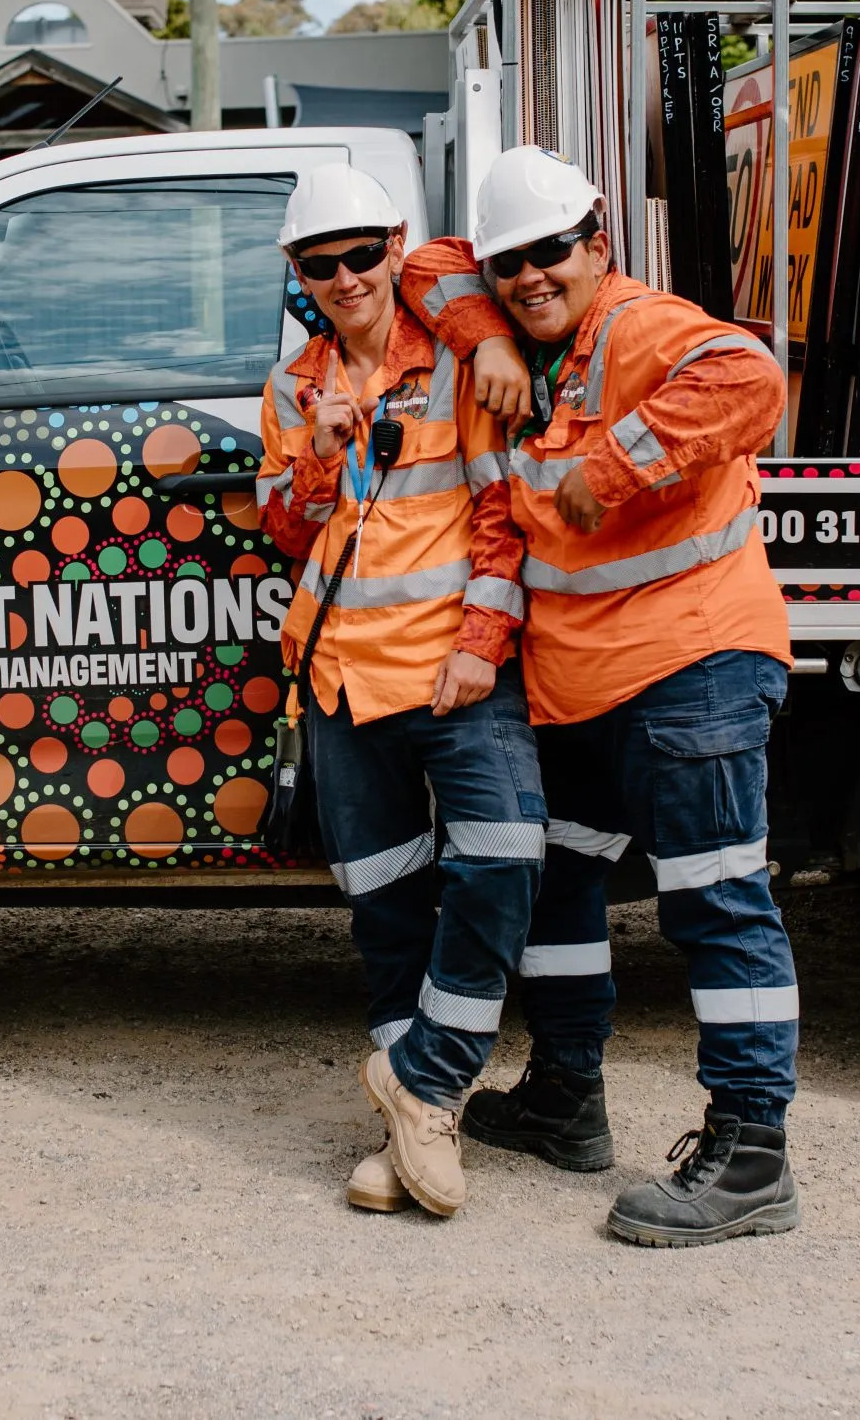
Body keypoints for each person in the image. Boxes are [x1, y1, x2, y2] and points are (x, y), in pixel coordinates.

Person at [400, 146, 801, 1247]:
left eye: (550, 253)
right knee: (560, 886)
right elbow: (423, 263)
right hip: (578, 687)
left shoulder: (639, 329)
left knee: (715, 900)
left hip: (693, 664)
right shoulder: (511, 351)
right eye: (509, 262)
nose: (530, 275)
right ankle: (565, 1096)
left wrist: (612, 465)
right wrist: (482, 330)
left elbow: (751, 379)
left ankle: (752, 1152)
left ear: (598, 246)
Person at [256, 163, 541, 1219]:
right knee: (384, 908)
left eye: (360, 254)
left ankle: (422, 1080)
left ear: (394, 245)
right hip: (338, 679)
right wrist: (319, 458)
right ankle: (417, 1129)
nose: (344, 278)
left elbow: (504, 514)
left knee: (505, 859)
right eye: (318, 264)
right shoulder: (293, 386)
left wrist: (480, 639)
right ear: (298, 273)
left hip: (456, 671)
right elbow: (283, 529)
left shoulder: (464, 357)